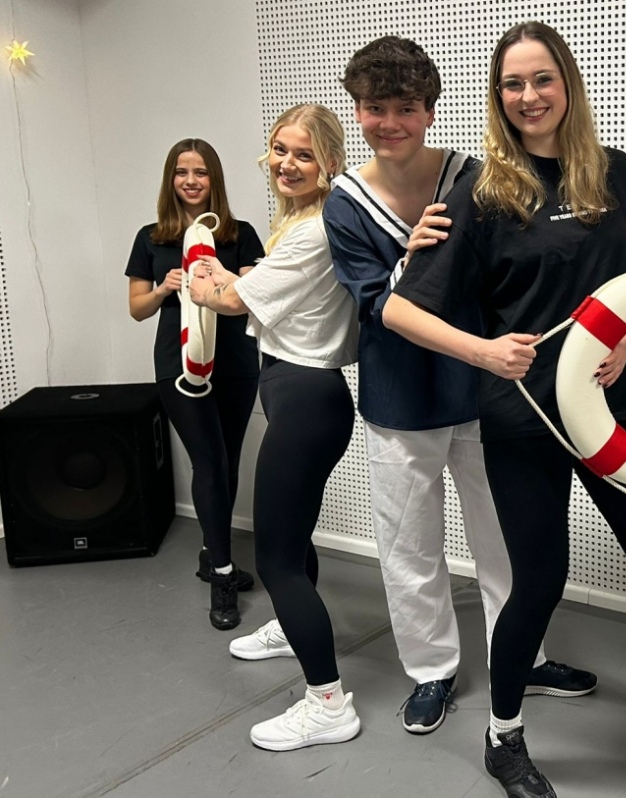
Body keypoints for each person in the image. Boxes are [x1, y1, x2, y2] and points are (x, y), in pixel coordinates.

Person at [384, 21, 626, 798]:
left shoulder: (615, 175)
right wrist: (485, 352)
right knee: (540, 579)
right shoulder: (484, 193)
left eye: (541, 79)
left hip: (607, 409)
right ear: (498, 96)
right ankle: (503, 738)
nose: (528, 96)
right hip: (524, 416)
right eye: (512, 84)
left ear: (567, 84)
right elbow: (399, 310)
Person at [304, 35, 595, 736]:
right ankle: (431, 669)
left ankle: (522, 658)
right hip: (402, 397)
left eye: (406, 107)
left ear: (430, 110)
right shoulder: (344, 203)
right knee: (409, 543)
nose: (390, 122)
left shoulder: (474, 177)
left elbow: (509, 274)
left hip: (488, 392)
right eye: (375, 108)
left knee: (506, 540)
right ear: (357, 110)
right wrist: (411, 261)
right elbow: (376, 304)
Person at [188, 104, 362, 752]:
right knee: (293, 538)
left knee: (276, 560)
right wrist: (226, 275)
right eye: (280, 150)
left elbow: (235, 301)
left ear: (330, 163)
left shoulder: (314, 229)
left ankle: (328, 704)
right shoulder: (303, 222)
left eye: (304, 154)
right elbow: (262, 285)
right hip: (299, 394)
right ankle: (293, 632)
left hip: (307, 398)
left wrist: (203, 286)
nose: (288, 164)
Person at [125, 138, 263, 631]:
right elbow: (137, 308)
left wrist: (219, 280)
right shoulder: (150, 238)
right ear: (171, 179)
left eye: (200, 172)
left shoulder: (240, 234)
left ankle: (212, 553)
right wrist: (165, 287)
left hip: (236, 363)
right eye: (182, 172)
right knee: (209, 461)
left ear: (214, 179)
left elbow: (253, 295)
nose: (190, 180)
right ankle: (222, 575)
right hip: (178, 366)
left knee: (227, 463)